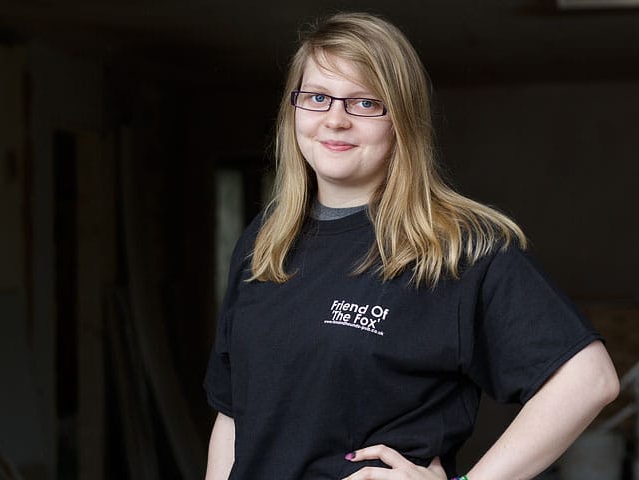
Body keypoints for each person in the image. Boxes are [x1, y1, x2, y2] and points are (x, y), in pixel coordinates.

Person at [203, 12, 619, 480]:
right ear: (293, 109)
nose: (335, 120)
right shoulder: (265, 239)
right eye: (317, 97)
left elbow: (588, 379)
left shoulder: (459, 248)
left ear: (402, 118)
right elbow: (233, 415)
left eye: (363, 103)